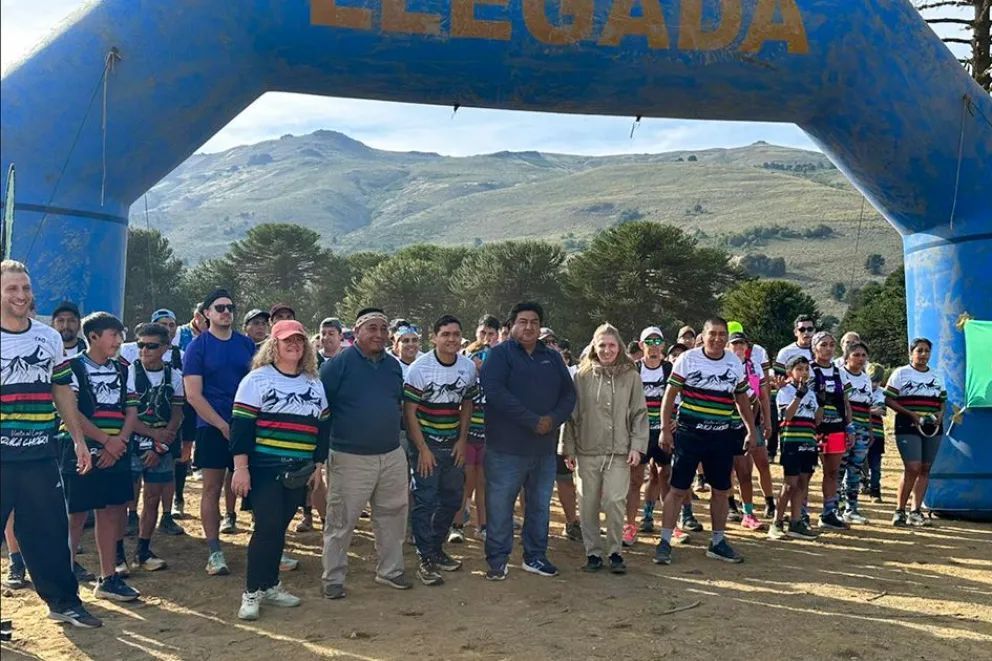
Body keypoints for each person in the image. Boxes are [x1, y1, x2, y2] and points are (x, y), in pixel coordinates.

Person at [1, 260, 102, 628]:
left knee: (48, 534)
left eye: (25, 288)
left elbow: (61, 389)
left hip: (39, 454)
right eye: (12, 288)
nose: (21, 295)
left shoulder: (49, 338)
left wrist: (77, 438)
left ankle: (64, 603)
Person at [231, 320, 329, 619]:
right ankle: (251, 593)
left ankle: (270, 585)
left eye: (300, 341)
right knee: (266, 528)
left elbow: (323, 426)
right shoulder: (256, 380)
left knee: (279, 528)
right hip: (265, 467)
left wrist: (318, 465)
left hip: (300, 469)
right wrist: (241, 468)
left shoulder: (314, 382)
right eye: (287, 340)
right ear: (274, 345)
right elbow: (241, 427)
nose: (294, 345)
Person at [320, 308, 411, 599]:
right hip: (349, 456)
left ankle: (391, 571)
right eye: (372, 328)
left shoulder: (393, 366)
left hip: (391, 453)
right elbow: (322, 408)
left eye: (384, 329)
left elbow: (397, 405)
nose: (379, 335)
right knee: (341, 520)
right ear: (356, 332)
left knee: (393, 515)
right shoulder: (338, 364)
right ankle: (333, 578)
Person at [480, 302, 576, 580]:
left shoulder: (553, 357)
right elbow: (495, 391)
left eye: (534, 321)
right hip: (505, 448)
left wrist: (553, 419)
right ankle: (498, 560)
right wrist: (532, 420)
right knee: (500, 505)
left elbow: (568, 395)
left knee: (539, 505)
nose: (529, 326)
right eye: (523, 321)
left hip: (543, 449)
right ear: (511, 326)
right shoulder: (499, 355)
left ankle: (535, 556)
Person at [653, 317, 757, 566]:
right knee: (678, 489)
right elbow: (670, 395)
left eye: (722, 334)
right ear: (704, 334)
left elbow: (741, 399)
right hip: (690, 435)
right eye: (713, 333)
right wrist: (665, 429)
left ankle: (718, 542)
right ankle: (665, 541)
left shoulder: (734, 362)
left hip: (721, 436)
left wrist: (751, 429)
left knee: (721, 491)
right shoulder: (687, 359)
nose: (718, 338)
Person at [62, 312, 141, 601]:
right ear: (92, 336)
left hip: (116, 450)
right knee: (75, 515)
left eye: (121, 335)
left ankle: (108, 579)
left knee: (111, 511)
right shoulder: (71, 367)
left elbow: (131, 409)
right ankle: (64, 579)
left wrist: (118, 442)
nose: (119, 341)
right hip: (82, 451)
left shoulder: (123, 367)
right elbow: (71, 411)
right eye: (113, 335)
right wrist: (105, 441)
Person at [562, 324, 648, 574]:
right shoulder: (581, 375)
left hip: (619, 452)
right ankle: (593, 553)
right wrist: (568, 448)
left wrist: (637, 446)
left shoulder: (631, 375)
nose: (607, 350)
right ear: (594, 347)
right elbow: (571, 415)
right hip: (586, 450)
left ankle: (614, 551)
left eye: (611, 345)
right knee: (587, 503)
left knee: (614, 500)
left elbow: (639, 413)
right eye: (602, 345)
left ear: (619, 346)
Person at [183, 289, 257, 575]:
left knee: (256, 486)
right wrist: (222, 425)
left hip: (246, 425)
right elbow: (193, 395)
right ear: (207, 314)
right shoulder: (197, 347)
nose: (226, 312)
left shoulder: (246, 345)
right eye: (220, 307)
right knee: (211, 489)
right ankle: (214, 552)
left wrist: (242, 425)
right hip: (211, 428)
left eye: (230, 307)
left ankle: (263, 546)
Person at [404, 315, 478, 586]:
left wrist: (462, 439)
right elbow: (409, 411)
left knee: (452, 498)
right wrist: (422, 448)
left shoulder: (468, 367)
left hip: (453, 444)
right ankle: (425, 557)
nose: (451, 339)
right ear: (434, 337)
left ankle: (435, 548)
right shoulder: (420, 368)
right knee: (425, 500)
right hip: (427, 445)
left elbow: (468, 403)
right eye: (445, 334)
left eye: (456, 334)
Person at [125, 323, 186, 569]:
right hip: (131, 442)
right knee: (122, 498)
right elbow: (127, 415)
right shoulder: (127, 373)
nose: (144, 350)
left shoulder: (175, 376)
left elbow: (177, 412)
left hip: (162, 444)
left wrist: (160, 446)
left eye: (151, 346)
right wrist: (152, 439)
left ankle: (143, 550)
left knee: (152, 498)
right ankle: (118, 554)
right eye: (140, 345)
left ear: (165, 347)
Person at [884, 338, 946, 527]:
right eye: (919, 350)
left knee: (925, 468)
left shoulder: (936, 375)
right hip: (907, 426)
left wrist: (940, 415)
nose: (923, 355)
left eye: (927, 351)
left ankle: (915, 511)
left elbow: (943, 400)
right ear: (911, 352)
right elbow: (888, 399)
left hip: (932, 427)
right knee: (912, 467)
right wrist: (910, 414)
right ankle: (899, 510)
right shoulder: (901, 373)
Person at [767, 355, 822, 540]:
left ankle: (796, 522)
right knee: (790, 483)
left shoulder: (811, 393)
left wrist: (821, 400)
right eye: (799, 369)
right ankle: (776, 522)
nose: (804, 373)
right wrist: (799, 395)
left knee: (803, 483)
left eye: (806, 369)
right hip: (792, 440)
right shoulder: (786, 391)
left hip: (809, 440)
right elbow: (787, 416)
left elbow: (817, 419)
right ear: (790, 372)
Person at [627, 327, 671, 542]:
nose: (653, 347)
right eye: (649, 342)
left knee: (665, 477)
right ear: (641, 345)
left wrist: (673, 423)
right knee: (635, 480)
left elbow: (679, 397)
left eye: (657, 342)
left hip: (664, 431)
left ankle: (669, 526)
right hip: (640, 433)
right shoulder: (633, 369)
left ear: (663, 345)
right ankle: (630, 526)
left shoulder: (670, 369)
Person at [809, 331, 854, 531]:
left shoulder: (839, 371)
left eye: (830, 345)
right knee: (806, 472)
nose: (827, 349)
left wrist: (849, 427)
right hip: (814, 428)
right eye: (823, 345)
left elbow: (845, 402)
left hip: (836, 427)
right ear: (814, 348)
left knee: (833, 471)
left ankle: (828, 512)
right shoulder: (808, 370)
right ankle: (800, 513)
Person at [451, 335, 492, 543]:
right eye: (477, 356)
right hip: (466, 440)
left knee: (484, 484)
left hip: (487, 442)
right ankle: (456, 525)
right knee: (464, 484)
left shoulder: (494, 384)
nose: (481, 361)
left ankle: (482, 526)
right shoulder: (464, 382)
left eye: (486, 357)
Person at [727, 332, 766, 530]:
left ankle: (748, 513)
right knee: (724, 472)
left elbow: (754, 399)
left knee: (744, 472)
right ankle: (728, 508)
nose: (738, 348)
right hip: (719, 428)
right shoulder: (721, 367)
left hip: (739, 428)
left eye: (741, 344)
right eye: (734, 344)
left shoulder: (747, 368)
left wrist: (751, 423)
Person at [838, 341, 873, 524]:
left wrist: (869, 428)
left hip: (862, 429)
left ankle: (852, 508)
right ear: (847, 357)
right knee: (838, 468)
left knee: (855, 470)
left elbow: (867, 405)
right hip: (843, 429)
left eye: (863, 355)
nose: (860, 359)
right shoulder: (841, 375)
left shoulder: (866, 378)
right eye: (856, 355)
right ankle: (835, 507)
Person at [864, 363, 887, 502]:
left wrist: (869, 410)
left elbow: (883, 411)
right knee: (858, 462)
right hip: (862, 430)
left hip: (877, 432)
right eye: (872, 380)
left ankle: (875, 491)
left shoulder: (882, 392)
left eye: (877, 381)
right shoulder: (860, 389)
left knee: (876, 464)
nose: (874, 384)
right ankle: (859, 485)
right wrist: (872, 410)